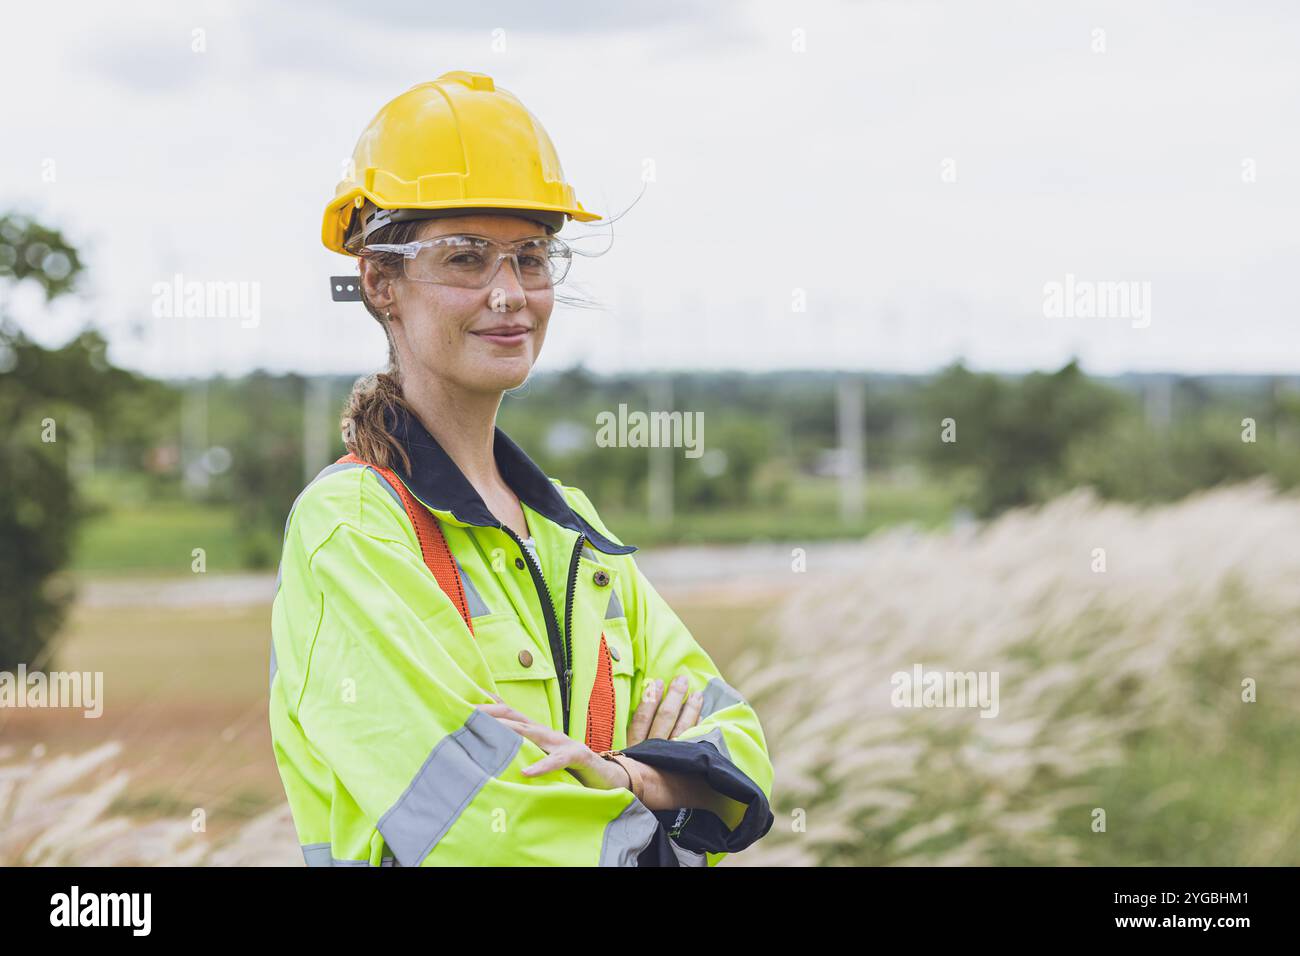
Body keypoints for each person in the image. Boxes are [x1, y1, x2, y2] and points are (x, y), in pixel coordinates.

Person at [268, 70, 774, 866]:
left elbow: (738, 747)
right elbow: (482, 824)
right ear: (379, 281)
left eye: (531, 257)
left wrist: (622, 778)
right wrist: (666, 798)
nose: (510, 294)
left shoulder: (571, 525)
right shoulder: (354, 528)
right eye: (466, 258)